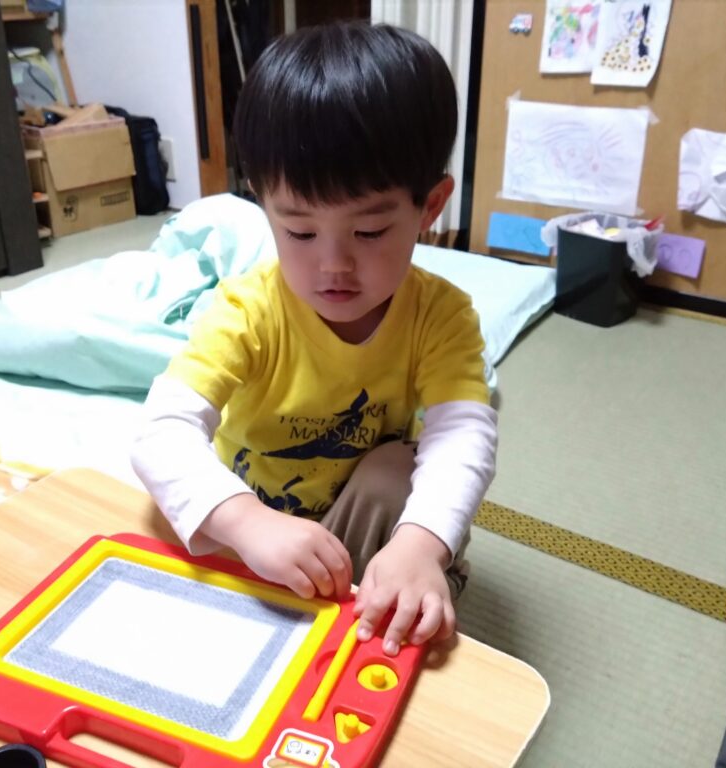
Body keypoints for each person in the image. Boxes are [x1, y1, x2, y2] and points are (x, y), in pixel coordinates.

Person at [131, 21, 497, 657]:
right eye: (299, 233)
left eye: (370, 232)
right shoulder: (248, 310)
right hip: (256, 532)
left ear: (430, 207)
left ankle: (398, 586)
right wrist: (245, 522)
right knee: (166, 510)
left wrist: (420, 545)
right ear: (263, 205)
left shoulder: (440, 316)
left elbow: (464, 433)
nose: (333, 266)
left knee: (398, 476)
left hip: (354, 533)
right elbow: (160, 431)